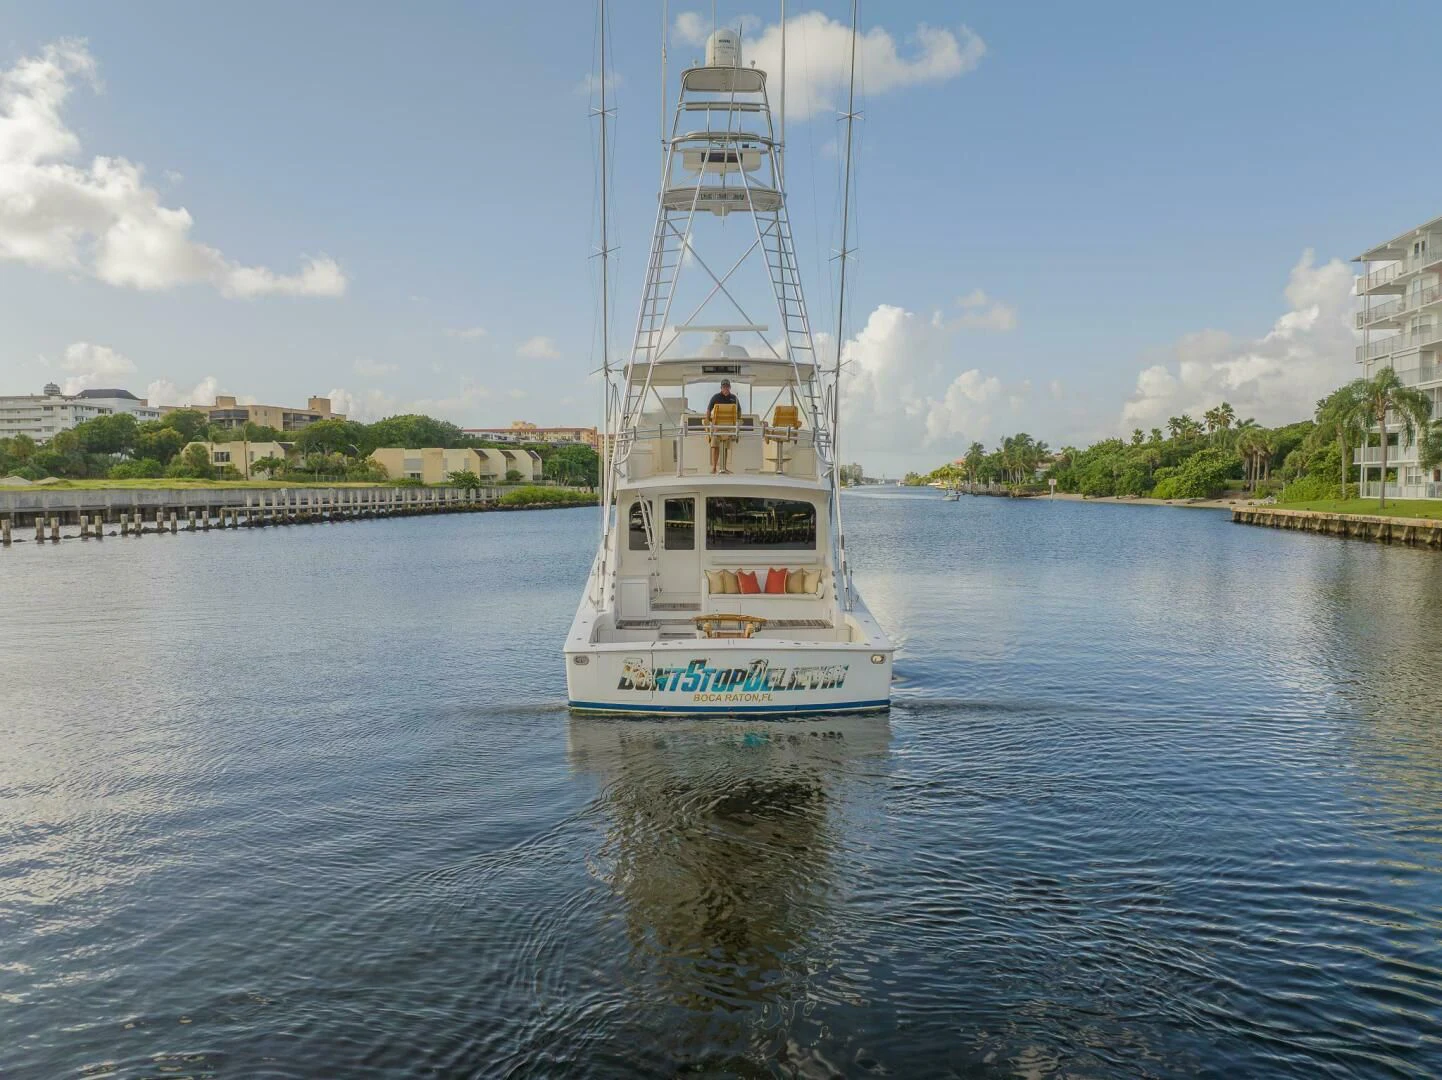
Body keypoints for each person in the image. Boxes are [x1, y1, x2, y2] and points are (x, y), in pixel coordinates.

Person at [707, 379, 740, 474]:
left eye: (727, 386)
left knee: (725, 446)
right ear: (721, 388)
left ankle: (724, 467)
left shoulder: (734, 398)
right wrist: (709, 420)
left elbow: (739, 411)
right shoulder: (715, 397)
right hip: (717, 426)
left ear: (730, 387)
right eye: (724, 386)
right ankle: (714, 468)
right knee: (715, 446)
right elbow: (709, 409)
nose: (725, 388)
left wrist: (737, 421)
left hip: (728, 426)